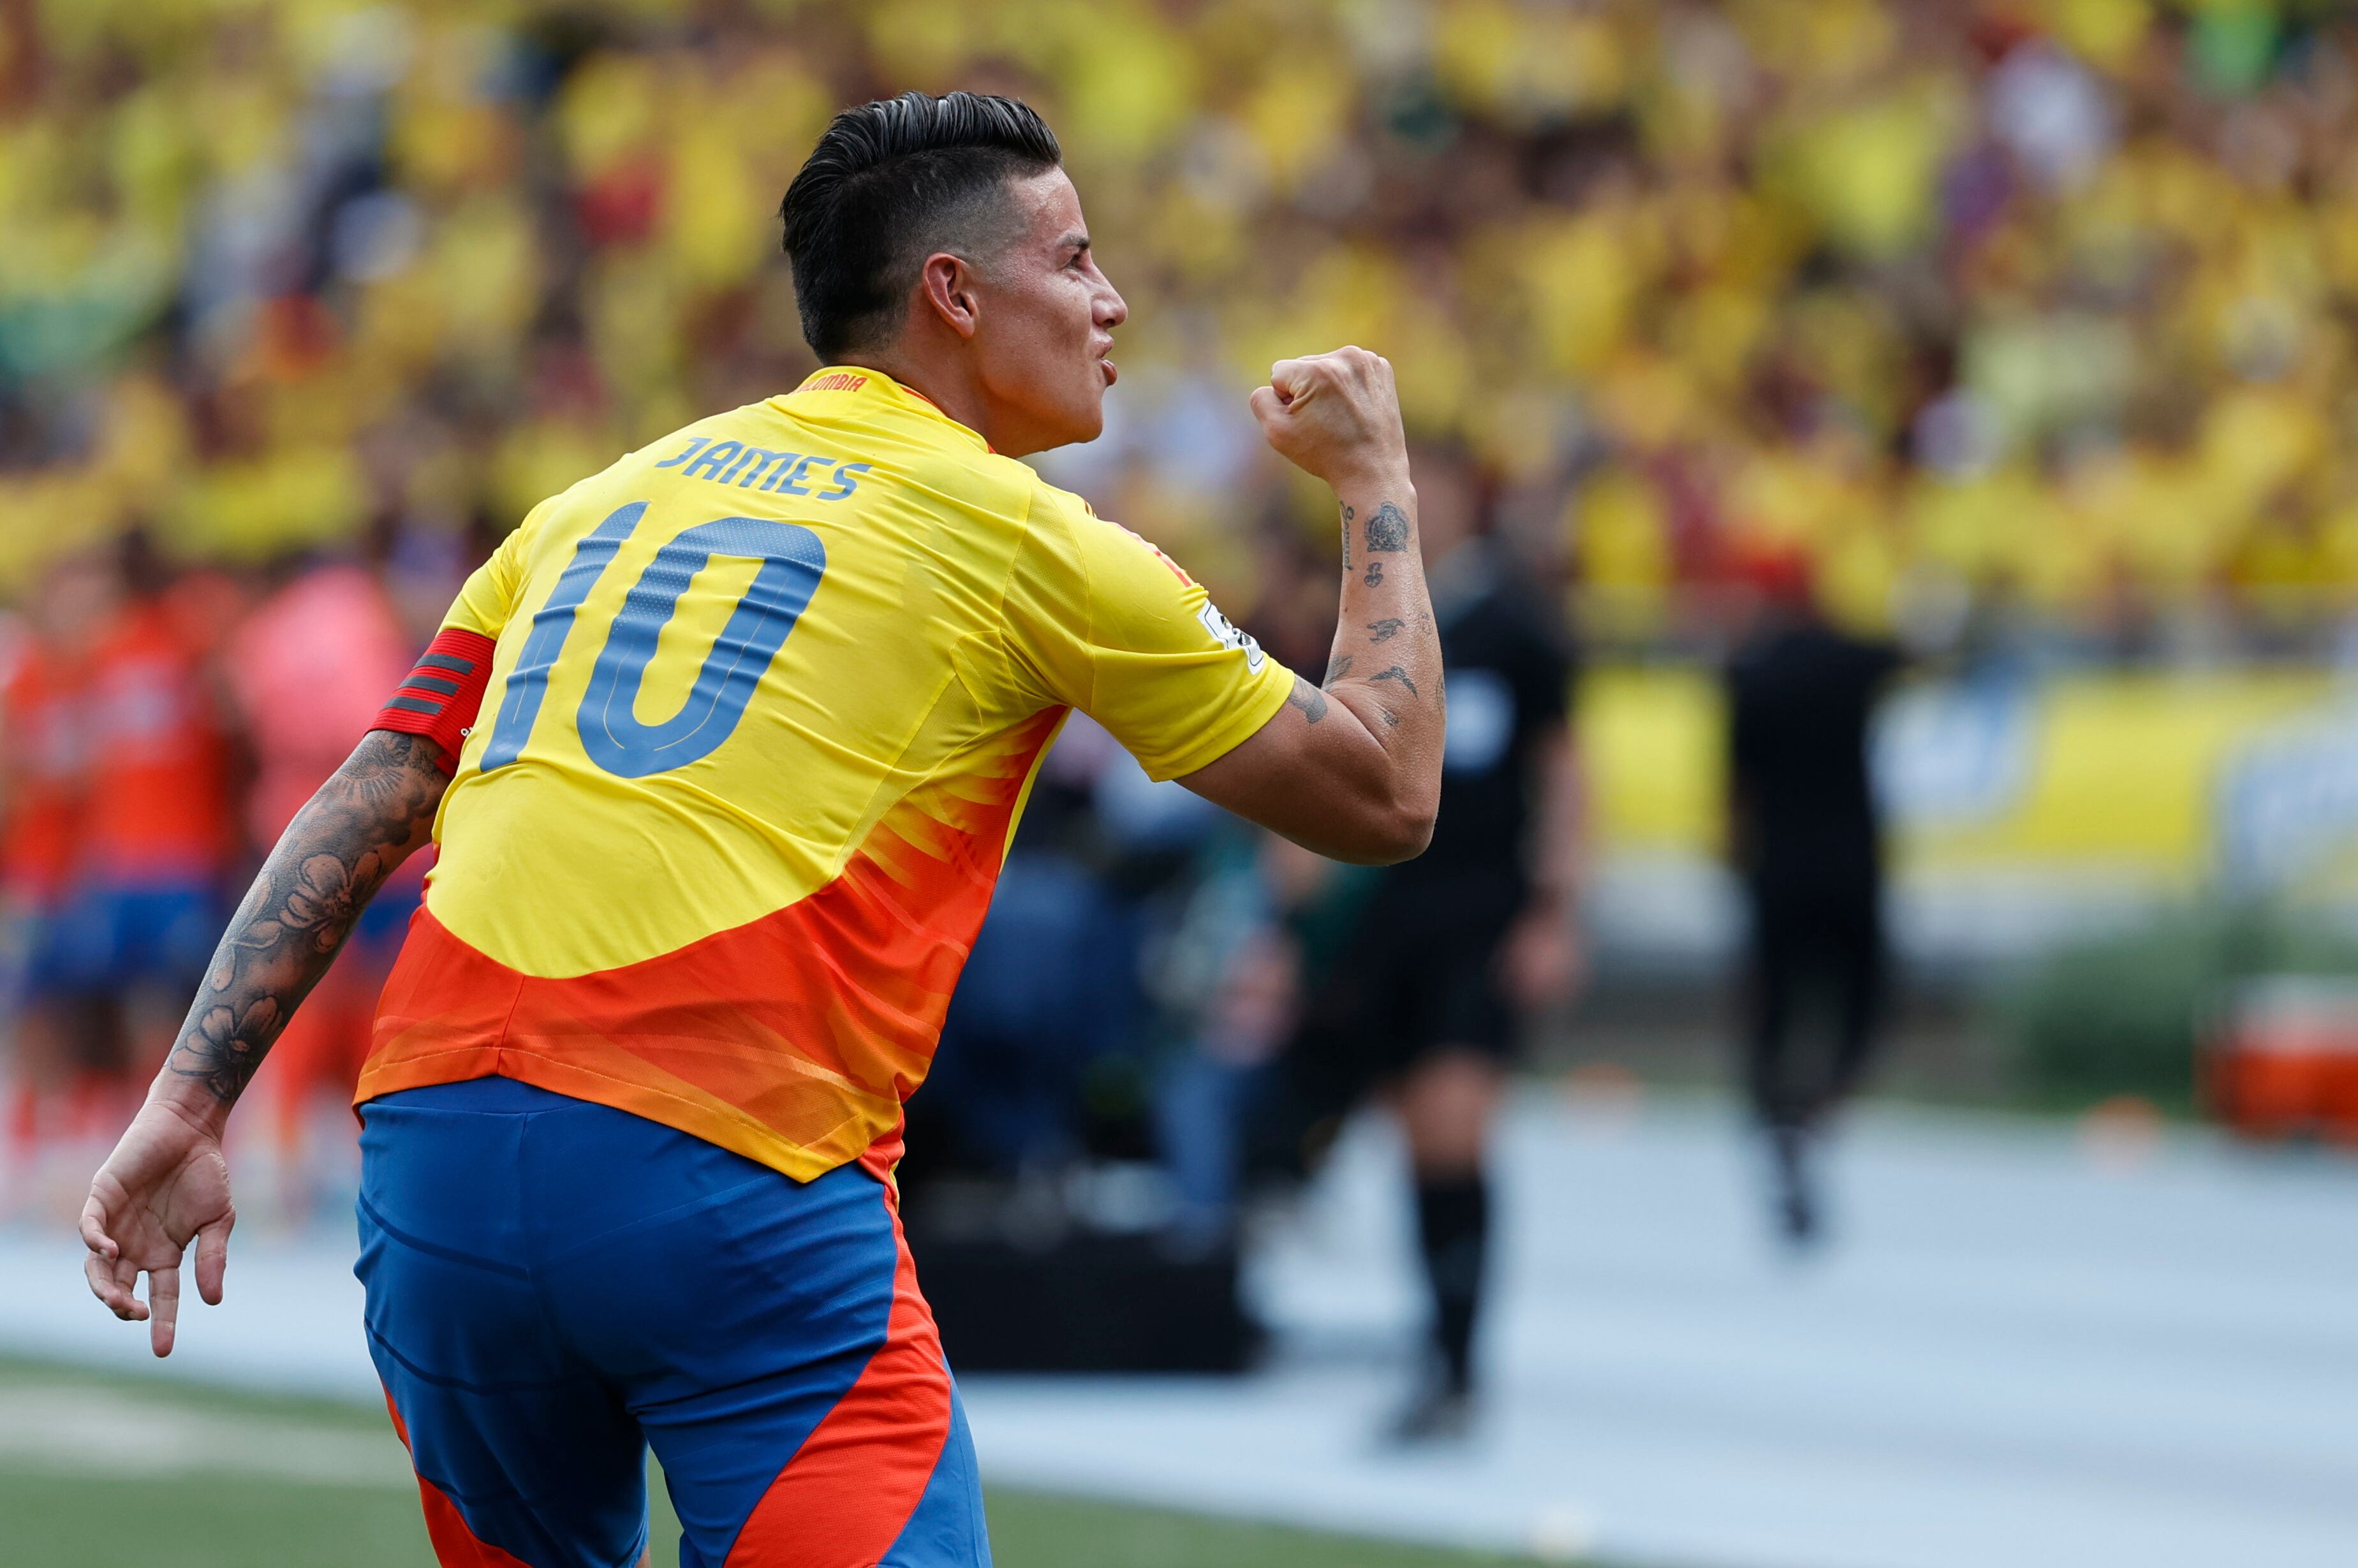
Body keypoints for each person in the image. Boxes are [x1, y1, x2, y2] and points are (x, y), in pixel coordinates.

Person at [80, 92, 1445, 1568]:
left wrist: (189, 1097)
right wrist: (1377, 486)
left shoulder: (603, 497)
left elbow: (374, 788)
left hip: (436, 1159)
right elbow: (1383, 794)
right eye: (1075, 259)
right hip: (722, 1166)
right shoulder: (1031, 537)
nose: (1113, 300)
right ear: (956, 295)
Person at [1287, 446, 1583, 1442]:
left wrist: (1554, 908)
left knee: (1456, 1125)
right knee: (1415, 1136)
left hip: (1480, 916)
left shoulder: (1515, 625)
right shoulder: (1372, 617)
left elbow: (1566, 772)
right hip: (1386, 918)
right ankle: (1437, 1349)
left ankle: (1458, 1362)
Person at [1723, 553, 1902, 1247]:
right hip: (1852, 864)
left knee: (1774, 999)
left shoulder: (1747, 672)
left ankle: (1776, 1112)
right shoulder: (1849, 658)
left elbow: (1733, 784)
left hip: (1777, 865)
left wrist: (1735, 860)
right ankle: (1825, 1102)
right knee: (1860, 995)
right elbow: (1912, 658)